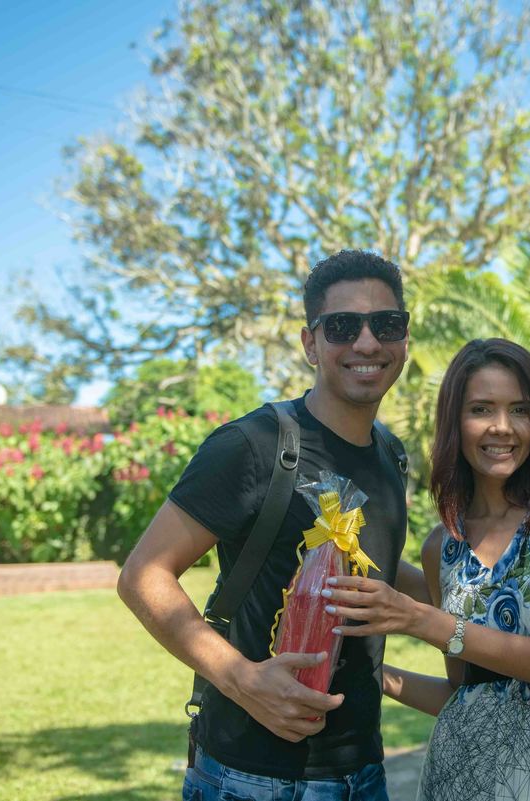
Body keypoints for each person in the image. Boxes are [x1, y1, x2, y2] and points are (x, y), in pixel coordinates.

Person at [117, 249, 429, 801]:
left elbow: (374, 560)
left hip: (364, 772)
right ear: (310, 343)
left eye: (386, 323)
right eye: (341, 326)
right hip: (249, 777)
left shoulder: (391, 456)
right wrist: (240, 678)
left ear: (404, 337)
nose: (366, 343)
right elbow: (144, 574)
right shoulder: (253, 445)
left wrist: (465, 601)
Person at [322, 338, 530, 800]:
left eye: (520, 410)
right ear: (455, 422)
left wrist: (422, 620)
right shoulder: (443, 546)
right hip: (465, 778)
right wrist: (375, 677)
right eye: (481, 409)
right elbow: (466, 692)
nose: (503, 427)